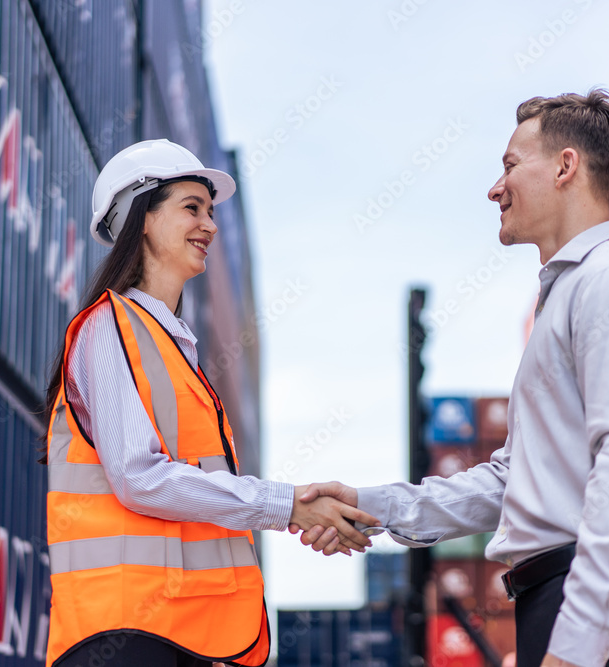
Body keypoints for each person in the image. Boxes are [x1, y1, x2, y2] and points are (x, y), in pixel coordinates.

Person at [293, 90, 609, 667]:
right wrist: (370, 505)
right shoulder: (567, 298)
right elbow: (512, 482)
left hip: (606, 627)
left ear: (566, 166)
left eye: (510, 165)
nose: (494, 187)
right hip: (562, 611)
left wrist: (577, 648)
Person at [41, 139, 379, 667]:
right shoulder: (109, 328)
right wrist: (288, 505)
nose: (211, 226)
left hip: (177, 633)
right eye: (191, 208)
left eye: (212, 211)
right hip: (121, 635)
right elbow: (138, 477)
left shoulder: (171, 344)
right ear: (142, 217)